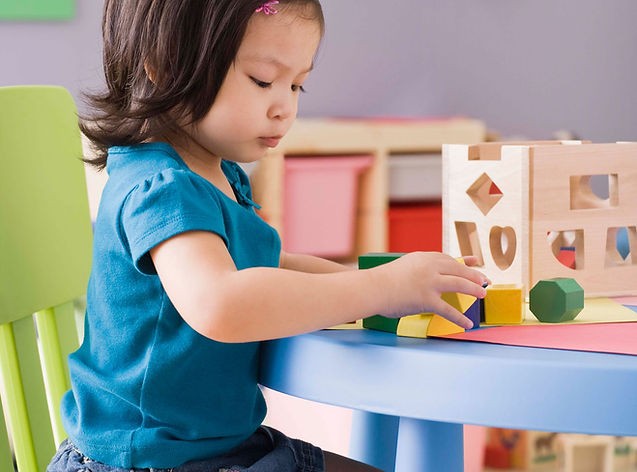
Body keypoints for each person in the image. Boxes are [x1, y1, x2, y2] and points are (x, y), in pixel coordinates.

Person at [47, 1, 489, 471]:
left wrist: (382, 283)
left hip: (213, 450)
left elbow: (268, 265)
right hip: (144, 462)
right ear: (165, 67)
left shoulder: (217, 174)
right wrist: (378, 288)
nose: (286, 108)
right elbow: (222, 304)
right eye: (262, 80)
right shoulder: (163, 186)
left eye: (297, 84)